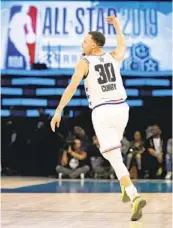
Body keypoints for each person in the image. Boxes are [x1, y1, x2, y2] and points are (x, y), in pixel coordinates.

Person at [50, 15, 146, 221]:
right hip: (122, 109)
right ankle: (124, 185)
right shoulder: (113, 56)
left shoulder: (84, 62)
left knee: (111, 154)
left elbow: (72, 86)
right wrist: (118, 25)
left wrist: (59, 109)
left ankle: (133, 195)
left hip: (103, 110)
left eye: (85, 40)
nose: (81, 43)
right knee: (116, 151)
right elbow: (122, 44)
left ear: (94, 45)